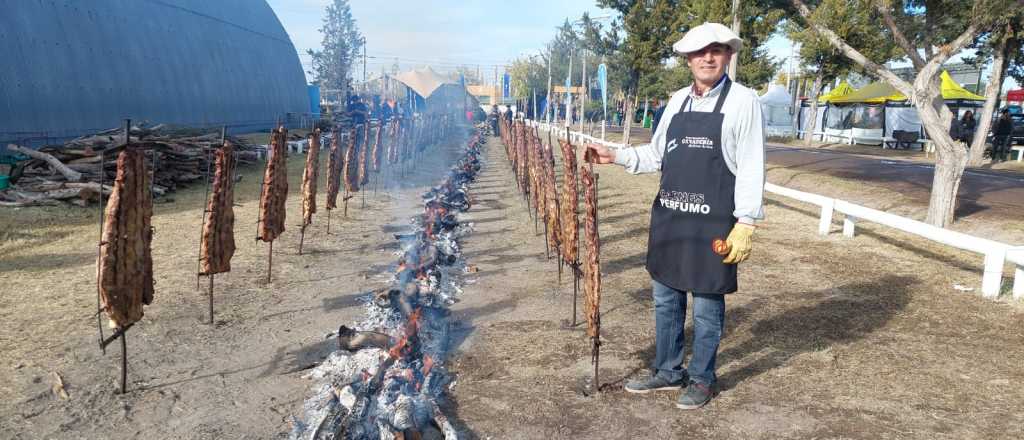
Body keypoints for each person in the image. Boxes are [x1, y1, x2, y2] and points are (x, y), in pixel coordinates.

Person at [585, 22, 765, 410]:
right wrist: (615, 155)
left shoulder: (743, 101)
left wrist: (746, 222)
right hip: (670, 219)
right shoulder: (677, 101)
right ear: (688, 59)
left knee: (706, 305)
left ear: (728, 56)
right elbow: (655, 155)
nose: (708, 57)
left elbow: (751, 165)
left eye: (716, 50)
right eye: (700, 52)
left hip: (713, 222)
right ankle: (668, 370)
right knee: (666, 300)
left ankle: (702, 378)